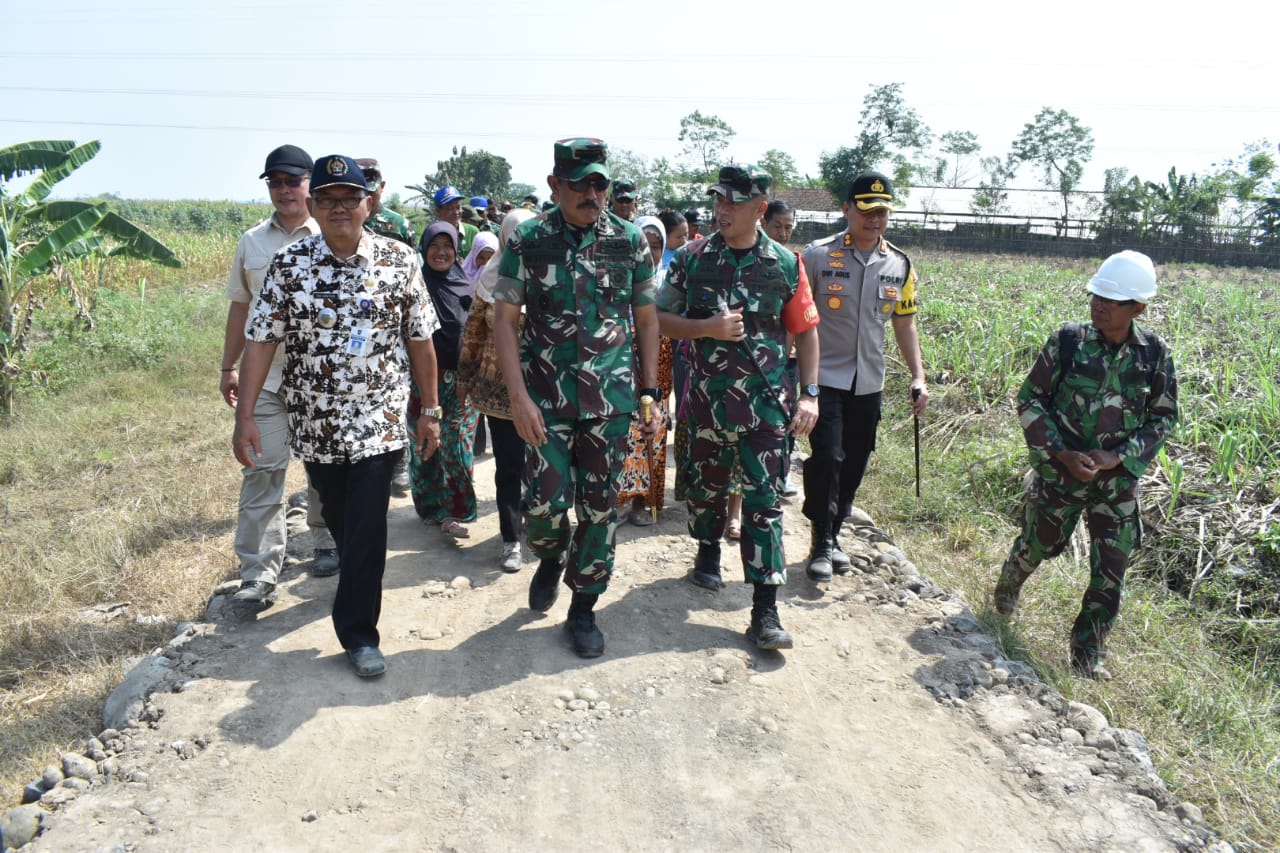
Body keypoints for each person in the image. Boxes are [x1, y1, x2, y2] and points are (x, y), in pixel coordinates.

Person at [233, 154, 441, 678]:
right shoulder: (289, 264)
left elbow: (420, 340)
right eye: (328, 200)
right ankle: (356, 585)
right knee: (345, 522)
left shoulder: (399, 260)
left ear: (368, 203)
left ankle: (358, 634)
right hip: (316, 424)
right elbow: (261, 341)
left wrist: (431, 410)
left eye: (350, 198)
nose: (340, 208)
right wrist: (245, 417)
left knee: (368, 525)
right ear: (314, 205)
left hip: (378, 419)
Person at [493, 137, 660, 658]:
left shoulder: (630, 240)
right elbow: (504, 320)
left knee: (600, 508)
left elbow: (646, 319)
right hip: (545, 399)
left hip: (611, 401)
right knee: (544, 506)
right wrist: (518, 398)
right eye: (581, 185)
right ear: (555, 185)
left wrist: (650, 391)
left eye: (599, 185)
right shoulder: (529, 240)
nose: (593, 194)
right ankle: (549, 556)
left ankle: (583, 608)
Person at [657, 164, 820, 651]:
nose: (722, 210)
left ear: (759, 209)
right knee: (706, 490)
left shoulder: (785, 264)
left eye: (734, 202)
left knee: (764, 503)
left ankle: (765, 609)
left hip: (766, 405)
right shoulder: (692, 258)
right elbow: (660, 319)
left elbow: (806, 331)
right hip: (707, 401)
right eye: (719, 200)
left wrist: (810, 393)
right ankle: (707, 549)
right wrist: (706, 329)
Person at [995, 251, 1177, 680]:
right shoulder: (1068, 341)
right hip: (1061, 472)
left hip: (1117, 484)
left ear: (1138, 308)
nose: (1099, 305)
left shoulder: (1153, 354)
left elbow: (1163, 417)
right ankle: (1009, 585)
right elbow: (1030, 399)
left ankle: (1087, 653)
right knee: (1040, 544)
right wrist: (1060, 453)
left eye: (1112, 300)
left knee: (1111, 568)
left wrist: (1119, 456)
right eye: (1097, 296)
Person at [221, 144, 340, 610]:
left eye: (293, 181)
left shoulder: (333, 233)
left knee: (326, 465)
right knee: (263, 469)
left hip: (323, 377)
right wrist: (228, 366)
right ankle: (258, 573)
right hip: (266, 379)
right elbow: (241, 307)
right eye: (276, 182)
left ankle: (327, 541)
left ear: (311, 184)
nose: (285, 190)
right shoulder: (252, 242)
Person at [799, 171, 928, 582]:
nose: (875, 219)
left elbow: (904, 323)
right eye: (868, 210)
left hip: (868, 381)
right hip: (824, 376)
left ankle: (835, 533)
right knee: (828, 456)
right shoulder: (818, 256)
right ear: (847, 210)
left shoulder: (899, 264)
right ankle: (821, 540)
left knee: (855, 460)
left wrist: (918, 376)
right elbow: (796, 318)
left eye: (883, 212)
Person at [457, 209, 536, 572]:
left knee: (542, 465)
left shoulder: (549, 280)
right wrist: (464, 382)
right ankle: (511, 540)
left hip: (543, 391)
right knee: (508, 467)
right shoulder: (489, 280)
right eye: (513, 237)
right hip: (498, 394)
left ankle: (540, 525)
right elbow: (473, 336)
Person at [410, 221, 480, 538]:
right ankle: (430, 507)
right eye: (434, 246)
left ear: (456, 250)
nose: (441, 252)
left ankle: (456, 510)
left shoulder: (467, 286)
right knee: (426, 445)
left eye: (447, 246)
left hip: (463, 383)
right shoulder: (414, 285)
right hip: (423, 380)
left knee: (457, 446)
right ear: (424, 249)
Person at [616, 215, 674, 527]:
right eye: (645, 244)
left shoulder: (668, 283)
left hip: (657, 363)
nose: (650, 252)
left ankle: (644, 502)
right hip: (621, 360)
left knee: (652, 430)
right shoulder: (618, 277)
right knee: (623, 434)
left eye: (656, 245)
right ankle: (619, 500)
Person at [356, 158, 415, 247]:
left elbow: (414, 255)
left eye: (370, 191)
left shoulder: (400, 225)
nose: (366, 197)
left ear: (382, 186)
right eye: (359, 193)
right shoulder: (342, 223)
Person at [428, 185, 479, 258]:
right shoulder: (431, 234)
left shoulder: (473, 232)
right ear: (438, 211)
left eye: (458, 207)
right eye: (450, 208)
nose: (456, 212)